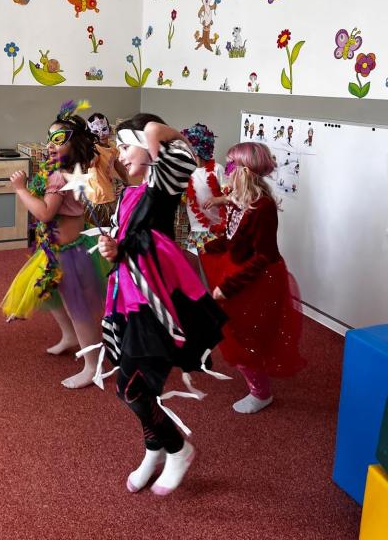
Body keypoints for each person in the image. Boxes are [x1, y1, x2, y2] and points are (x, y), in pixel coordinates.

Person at [97, 114, 227, 496]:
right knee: (139, 385)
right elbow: (126, 244)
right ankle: (154, 449)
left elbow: (186, 155)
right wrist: (113, 249)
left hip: (155, 306)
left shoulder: (161, 184)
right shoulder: (129, 195)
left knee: (131, 387)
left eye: (126, 146)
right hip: (128, 299)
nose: (121, 155)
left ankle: (178, 448)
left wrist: (158, 132)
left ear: (150, 148)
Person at [0, 101, 105, 389]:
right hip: (55, 250)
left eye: (59, 139)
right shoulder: (64, 170)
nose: (50, 144)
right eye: (49, 138)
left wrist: (20, 189)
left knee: (78, 311)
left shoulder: (60, 176)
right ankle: (70, 337)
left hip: (70, 254)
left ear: (75, 143)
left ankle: (92, 366)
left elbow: (45, 213)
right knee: (51, 296)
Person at [200, 141, 305, 414]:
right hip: (240, 269)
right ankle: (256, 380)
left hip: (257, 278)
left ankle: (261, 393)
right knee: (237, 330)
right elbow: (233, 237)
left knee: (245, 335)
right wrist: (212, 246)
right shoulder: (239, 199)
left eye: (231, 166)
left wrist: (229, 286)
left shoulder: (263, 207)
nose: (227, 171)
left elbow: (263, 256)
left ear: (244, 171)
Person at [180, 123, 226, 256]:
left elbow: (232, 197)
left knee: (214, 266)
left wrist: (218, 199)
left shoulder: (217, 169)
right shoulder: (185, 171)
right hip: (195, 231)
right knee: (194, 266)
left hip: (216, 231)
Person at [85, 112, 128, 226]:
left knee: (112, 229)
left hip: (110, 196)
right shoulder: (94, 149)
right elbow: (90, 162)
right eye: (95, 132)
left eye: (104, 129)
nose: (101, 134)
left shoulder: (113, 149)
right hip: (96, 199)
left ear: (109, 128)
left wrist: (126, 184)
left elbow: (120, 169)